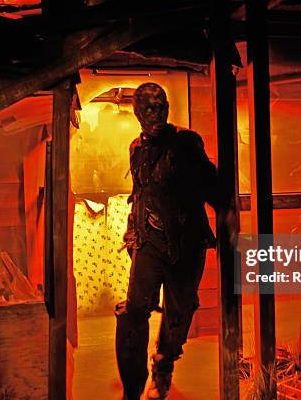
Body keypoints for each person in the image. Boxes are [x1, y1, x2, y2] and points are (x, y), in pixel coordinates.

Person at [115, 82, 234, 400]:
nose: (157, 113)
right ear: (138, 112)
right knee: (135, 310)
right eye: (150, 108)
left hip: (187, 244)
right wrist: (132, 230)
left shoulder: (186, 143)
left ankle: (163, 366)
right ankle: (133, 386)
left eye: (162, 106)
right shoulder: (135, 148)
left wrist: (227, 218)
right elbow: (141, 192)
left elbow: (215, 186)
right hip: (150, 242)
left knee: (179, 314)